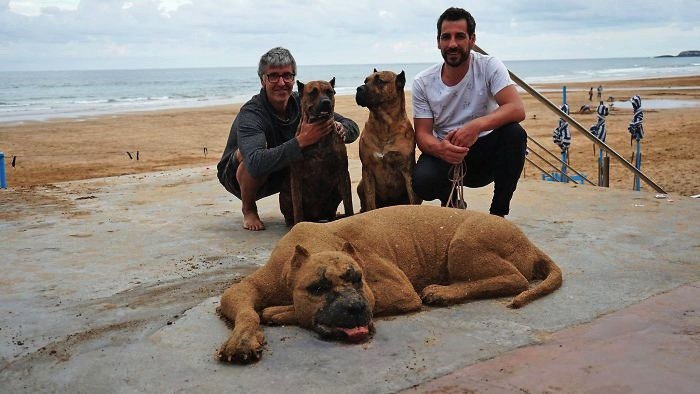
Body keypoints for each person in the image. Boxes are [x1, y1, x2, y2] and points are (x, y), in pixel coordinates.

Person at [217, 47, 359, 231]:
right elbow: (255, 164)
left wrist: (342, 129)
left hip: (284, 167)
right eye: (273, 76)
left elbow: (352, 126)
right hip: (241, 176)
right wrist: (302, 140)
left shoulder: (304, 100)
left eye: (287, 75)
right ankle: (249, 208)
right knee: (247, 156)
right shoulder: (252, 113)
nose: (281, 82)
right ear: (263, 80)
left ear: (294, 79)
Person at [411, 7, 526, 217]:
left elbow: (516, 108)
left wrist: (476, 126)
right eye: (446, 37)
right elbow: (423, 134)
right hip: (447, 152)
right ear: (438, 42)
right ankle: (454, 202)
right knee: (422, 182)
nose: (452, 44)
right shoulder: (422, 82)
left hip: (484, 154)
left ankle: (497, 215)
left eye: (460, 36)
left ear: (472, 40)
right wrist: (440, 149)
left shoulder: (489, 65)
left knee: (514, 134)